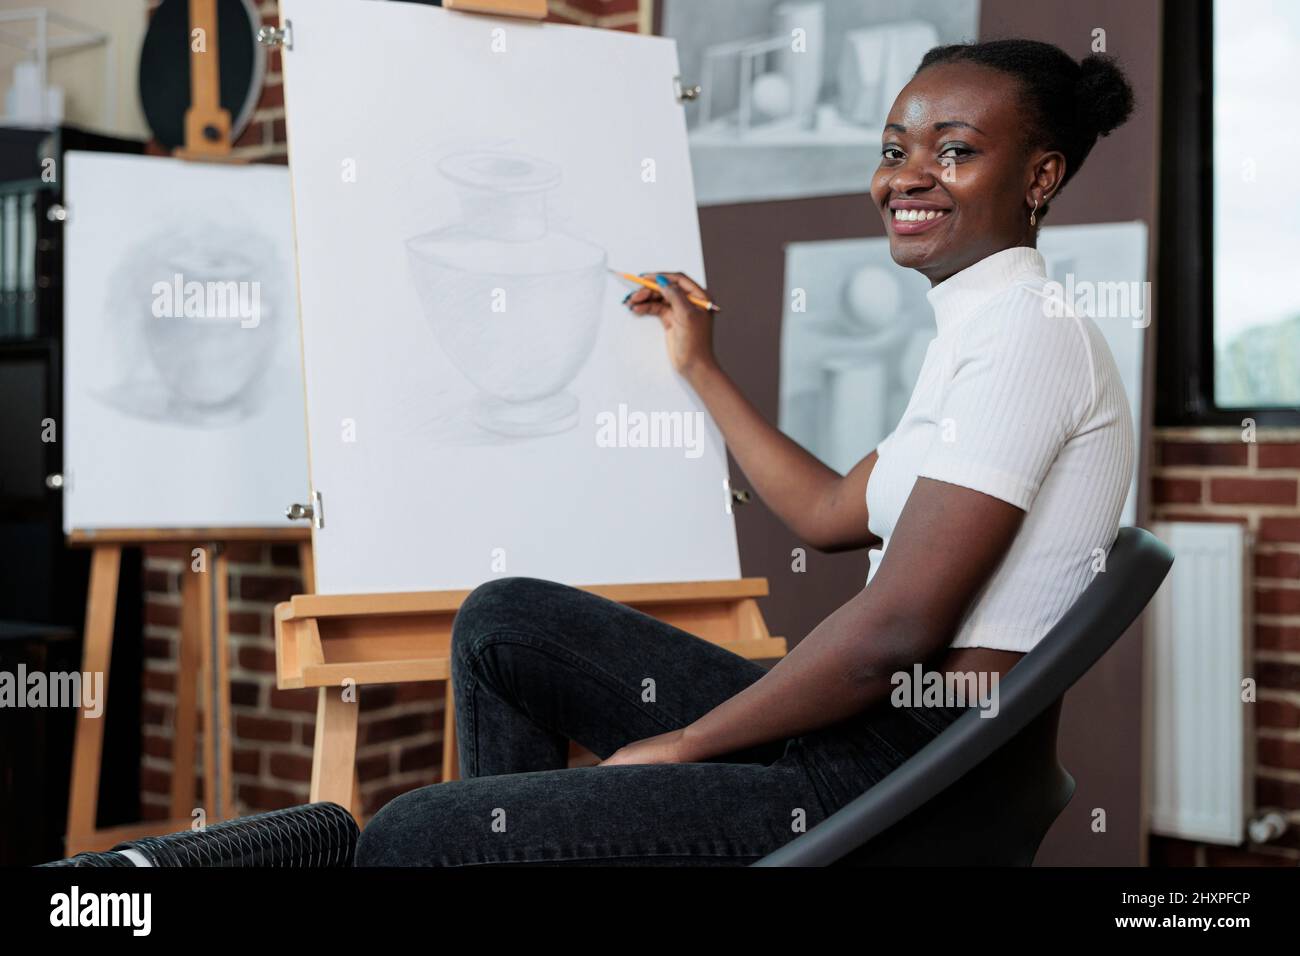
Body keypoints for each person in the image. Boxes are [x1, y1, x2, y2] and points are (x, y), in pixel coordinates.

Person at [355, 37, 1137, 866]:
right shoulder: (984, 331)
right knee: (503, 623)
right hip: (872, 734)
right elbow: (830, 515)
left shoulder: (1028, 335)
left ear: (1040, 177)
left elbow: (900, 628)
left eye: (954, 151)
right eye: (893, 150)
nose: (906, 177)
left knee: (412, 837)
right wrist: (700, 365)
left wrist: (689, 742)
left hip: (907, 775)